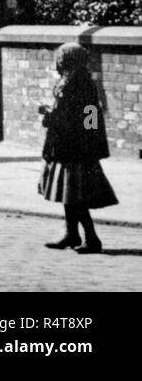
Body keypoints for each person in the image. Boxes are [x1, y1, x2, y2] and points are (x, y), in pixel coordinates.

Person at [39, 42, 117, 254]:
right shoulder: (68, 79)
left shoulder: (82, 82)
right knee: (67, 194)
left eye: (62, 56)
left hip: (75, 148)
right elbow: (64, 111)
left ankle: (92, 239)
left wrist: (88, 139)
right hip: (62, 145)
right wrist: (51, 115)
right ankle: (71, 234)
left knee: (76, 195)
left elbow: (90, 113)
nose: (59, 60)